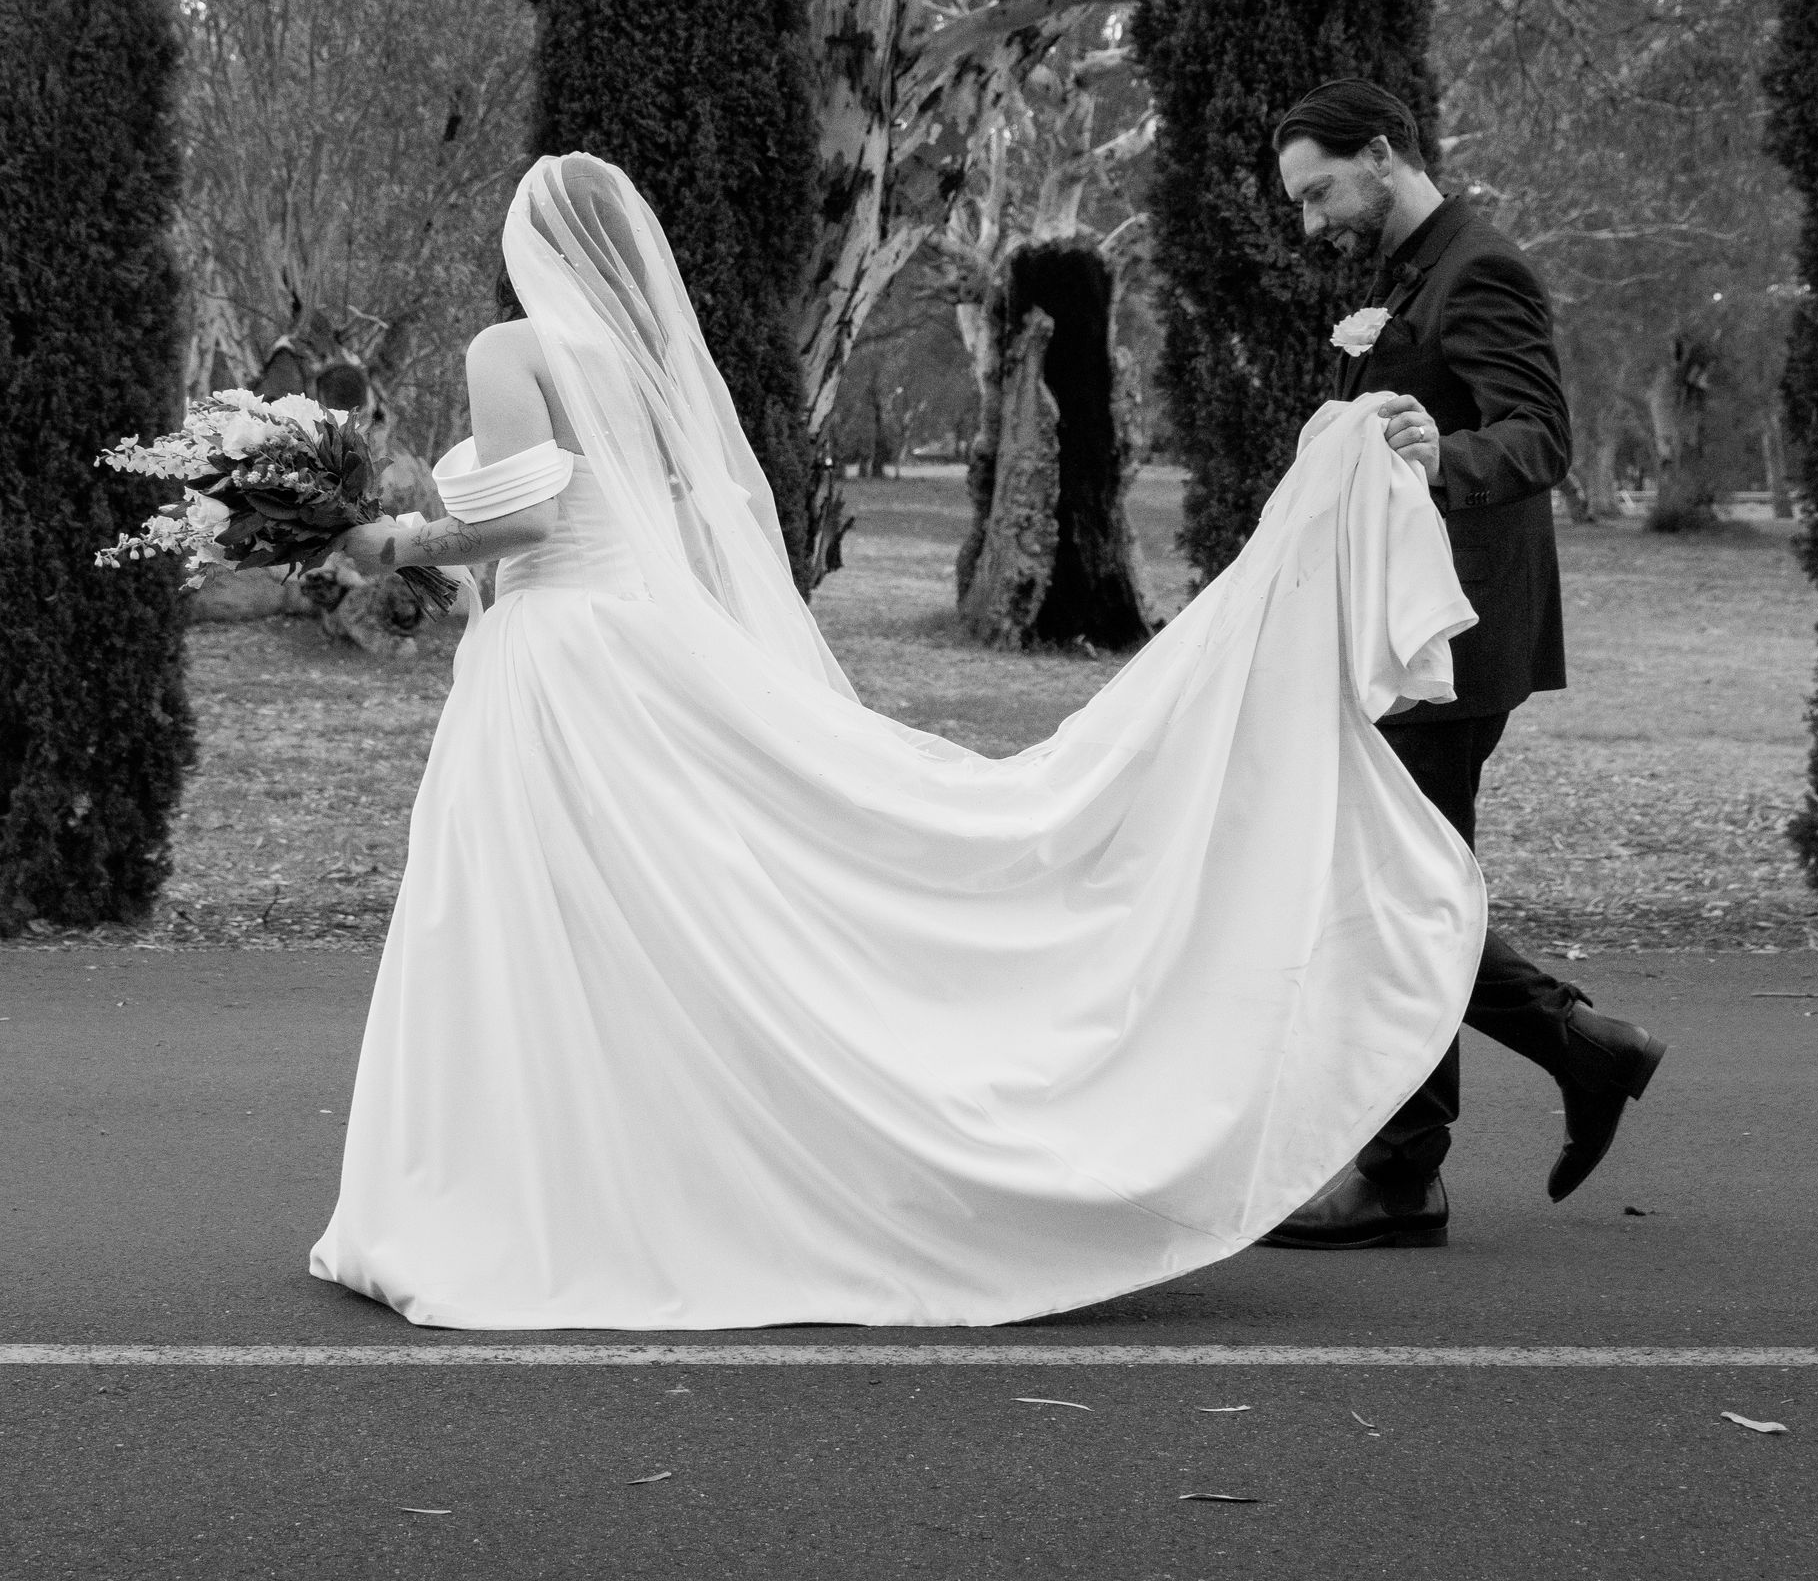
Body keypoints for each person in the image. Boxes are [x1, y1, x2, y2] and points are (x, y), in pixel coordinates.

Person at [311, 151, 1486, 1333]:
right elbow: (658, 515)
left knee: (543, 918)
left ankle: (546, 1184)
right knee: (665, 912)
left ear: (530, 249)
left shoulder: (506, 350)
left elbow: (523, 517)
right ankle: (634, 1173)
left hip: (561, 659)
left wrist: (393, 541)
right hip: (635, 641)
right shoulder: (645, 359)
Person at [1263, 80, 1666, 1252]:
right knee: (1400, 882)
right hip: (1406, 636)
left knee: (1400, 889)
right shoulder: (1404, 275)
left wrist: (1443, 451)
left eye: (1320, 191)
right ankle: (1577, 1052)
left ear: (1383, 155)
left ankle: (1408, 1171)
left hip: (1453, 641)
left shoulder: (1478, 266)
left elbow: (1541, 434)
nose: (1311, 222)